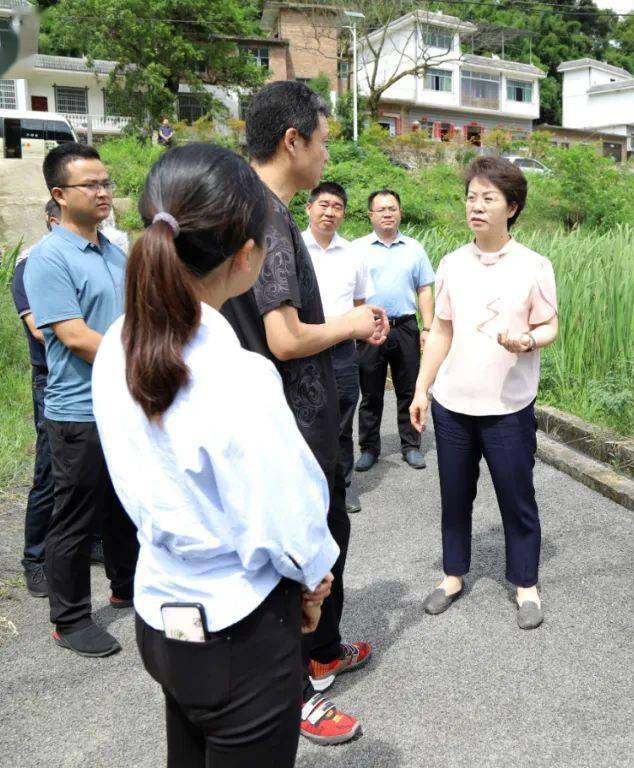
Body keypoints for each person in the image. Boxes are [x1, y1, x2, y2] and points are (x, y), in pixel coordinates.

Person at [92, 143, 338, 768]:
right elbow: (286, 519)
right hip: (239, 634)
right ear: (247, 256)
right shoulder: (235, 375)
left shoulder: (118, 344)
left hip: (161, 614)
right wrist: (312, 582)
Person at [220, 80, 386, 746]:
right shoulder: (268, 218)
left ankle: (321, 652)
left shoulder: (247, 208)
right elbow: (285, 338)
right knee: (298, 558)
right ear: (293, 140)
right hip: (286, 423)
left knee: (324, 538)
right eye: (322, 139)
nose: (325, 154)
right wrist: (347, 323)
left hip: (290, 418)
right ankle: (293, 694)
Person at [410, 156, 559, 630]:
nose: (476, 206)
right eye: (471, 197)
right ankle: (453, 575)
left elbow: (549, 324)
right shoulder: (452, 263)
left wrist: (529, 340)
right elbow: (440, 332)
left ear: (511, 207)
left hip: (508, 407)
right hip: (454, 404)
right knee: (454, 495)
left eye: (488, 198)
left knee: (517, 497)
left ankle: (526, 584)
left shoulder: (534, 266)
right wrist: (421, 388)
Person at [23, 143, 140, 658]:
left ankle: (125, 585)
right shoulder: (47, 258)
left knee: (122, 506)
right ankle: (69, 618)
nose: (103, 192)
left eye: (106, 182)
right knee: (75, 516)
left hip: (122, 402)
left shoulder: (114, 250)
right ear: (59, 194)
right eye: (90, 184)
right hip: (78, 411)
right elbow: (72, 335)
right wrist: (140, 363)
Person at [301, 181, 374, 514]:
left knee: (343, 419)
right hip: (305, 346)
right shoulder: (293, 248)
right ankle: (306, 488)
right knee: (304, 418)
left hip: (343, 351)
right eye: (324, 205)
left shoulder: (354, 254)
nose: (330, 212)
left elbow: (360, 304)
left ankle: (341, 487)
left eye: (337, 207)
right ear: (309, 207)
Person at [350, 189, 435, 472]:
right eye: (382, 209)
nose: (388, 213)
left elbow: (425, 289)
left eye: (393, 208)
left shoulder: (414, 248)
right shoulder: (357, 249)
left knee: (408, 389)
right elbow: (350, 292)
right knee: (370, 392)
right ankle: (369, 448)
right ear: (371, 215)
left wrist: (428, 327)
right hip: (370, 328)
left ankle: (411, 445)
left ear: (400, 212)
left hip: (406, 327)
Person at [10, 198, 61, 598]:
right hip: (51, 377)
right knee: (47, 470)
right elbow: (41, 330)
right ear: (51, 220)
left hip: (92, 372)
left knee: (93, 466)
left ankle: (94, 541)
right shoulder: (30, 266)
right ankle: (35, 558)